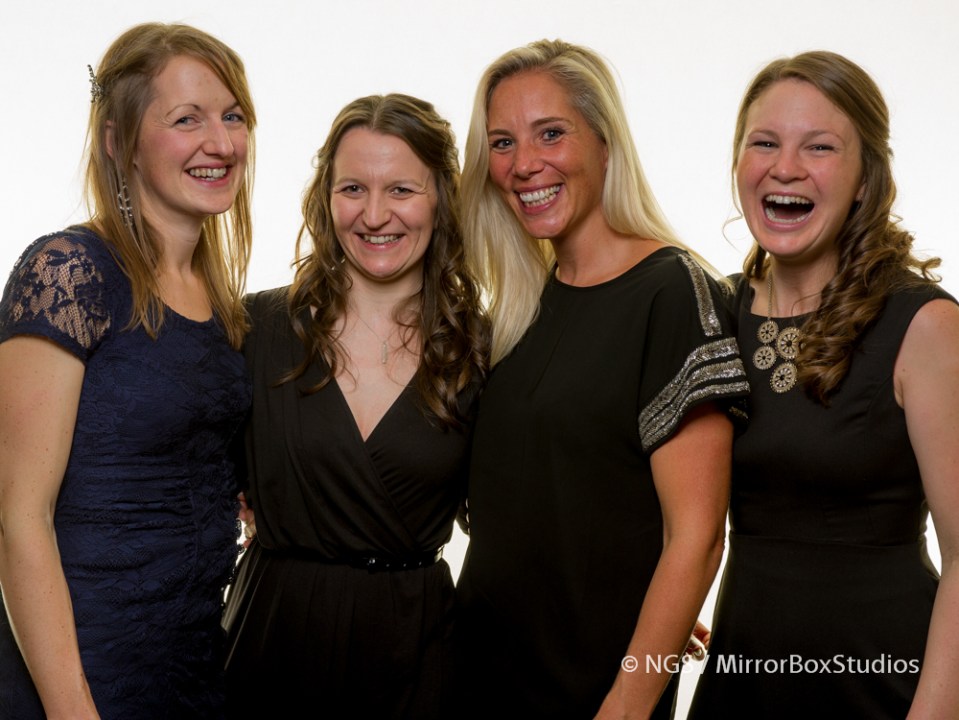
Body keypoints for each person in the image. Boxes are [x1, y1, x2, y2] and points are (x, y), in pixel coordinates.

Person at [454, 39, 749, 719]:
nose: (524, 164)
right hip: (474, 675)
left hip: (592, 694)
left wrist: (630, 698)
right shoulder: (521, 305)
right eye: (502, 143)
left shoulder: (672, 292)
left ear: (605, 144)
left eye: (550, 133)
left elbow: (697, 539)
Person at [688, 51, 959, 718]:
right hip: (742, 684)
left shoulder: (922, 323)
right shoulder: (712, 314)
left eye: (819, 147)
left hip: (884, 689)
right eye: (763, 143)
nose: (785, 167)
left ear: (866, 178)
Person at [0, 22, 256, 720]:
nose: (221, 143)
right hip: (83, 677)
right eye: (187, 119)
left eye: (233, 116)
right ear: (119, 142)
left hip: (191, 670)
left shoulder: (222, 302)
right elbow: (19, 517)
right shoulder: (68, 271)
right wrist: (71, 709)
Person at [221, 93, 489, 719]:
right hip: (269, 643)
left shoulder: (481, 351)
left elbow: (532, 510)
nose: (374, 215)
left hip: (414, 655)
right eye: (352, 189)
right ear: (325, 197)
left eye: (401, 190)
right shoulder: (253, 329)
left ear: (441, 198)